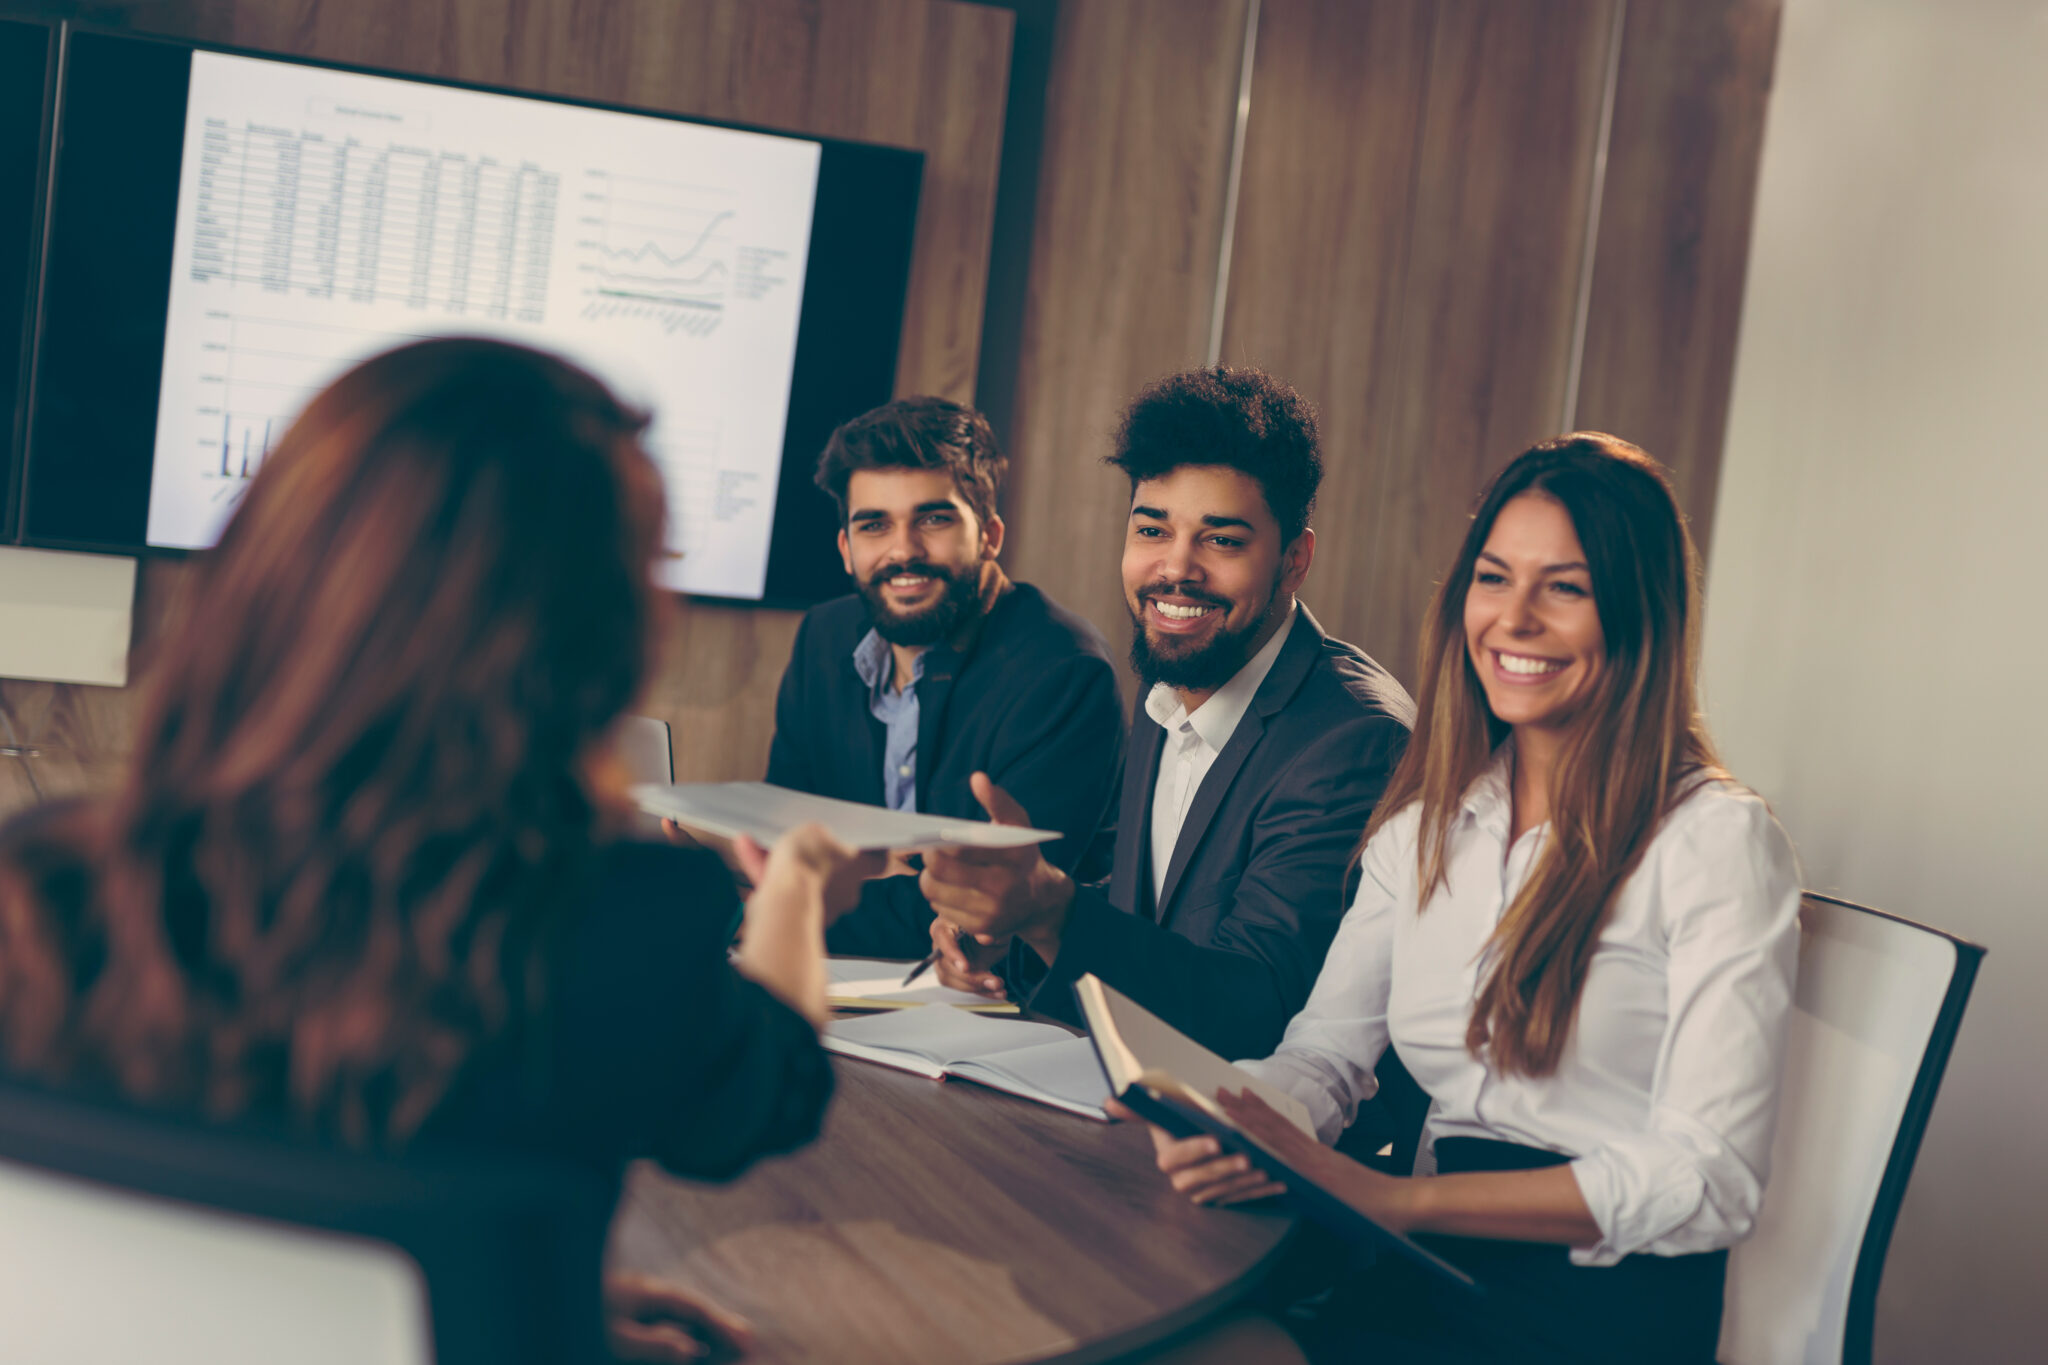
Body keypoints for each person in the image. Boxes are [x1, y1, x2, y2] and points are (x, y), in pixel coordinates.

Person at [0, 339, 875, 1363]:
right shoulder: (612, 923)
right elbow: (765, 1099)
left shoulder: (42, 882)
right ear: (591, 635)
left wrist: (500, 1304)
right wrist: (800, 885)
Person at [1133, 434, 1802, 1365]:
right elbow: (1327, 1055)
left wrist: (1397, 1199)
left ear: (1640, 616)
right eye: (1495, 577)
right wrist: (1244, 1121)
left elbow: (1710, 1177)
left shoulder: (1714, 840)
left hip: (1600, 1305)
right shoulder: (1426, 825)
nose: (1514, 618)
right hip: (1424, 1269)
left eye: (1564, 587)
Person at [918, 367, 1413, 1061]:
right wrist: (1013, 933)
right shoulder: (1170, 688)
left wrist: (1050, 909)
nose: (1175, 568)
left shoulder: (1354, 740)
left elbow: (1265, 1008)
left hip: (1262, 1149)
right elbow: (1155, 917)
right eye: (1153, 529)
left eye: (1222, 540)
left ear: (1295, 560)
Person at [761, 396, 1125, 959]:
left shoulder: (1066, 673)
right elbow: (786, 837)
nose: (903, 551)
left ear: (990, 535)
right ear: (846, 549)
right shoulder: (823, 638)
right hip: (840, 982)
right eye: (874, 525)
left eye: (933, 519)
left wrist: (759, 902)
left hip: (1008, 1010)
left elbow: (981, 909)